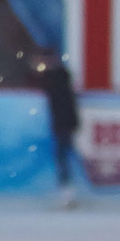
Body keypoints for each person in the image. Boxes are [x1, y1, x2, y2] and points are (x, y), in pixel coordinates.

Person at [31, 47, 82, 207]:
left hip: (63, 122)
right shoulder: (61, 77)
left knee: (63, 156)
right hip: (66, 121)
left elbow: (61, 101)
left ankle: (68, 191)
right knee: (65, 155)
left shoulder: (54, 77)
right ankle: (69, 190)